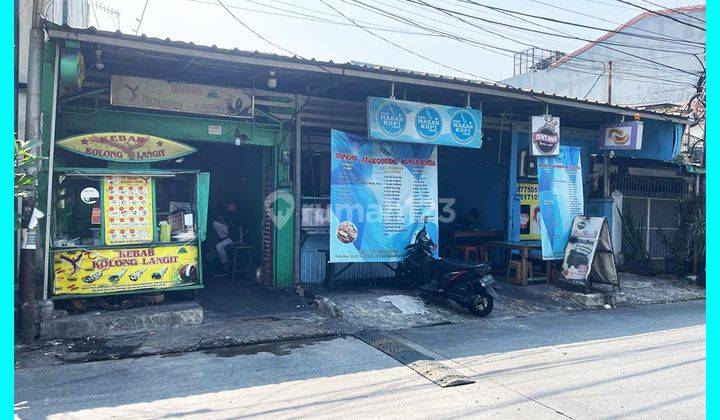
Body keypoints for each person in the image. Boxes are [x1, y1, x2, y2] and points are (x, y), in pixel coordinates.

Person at [212, 201, 244, 276]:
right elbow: (228, 227)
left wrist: (241, 240)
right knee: (214, 223)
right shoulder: (230, 215)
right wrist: (222, 220)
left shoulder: (238, 216)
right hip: (229, 235)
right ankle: (224, 239)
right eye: (228, 207)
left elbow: (240, 227)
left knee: (218, 246)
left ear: (234, 207)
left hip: (234, 238)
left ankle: (226, 264)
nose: (228, 208)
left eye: (230, 207)